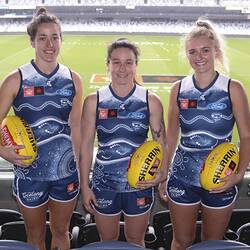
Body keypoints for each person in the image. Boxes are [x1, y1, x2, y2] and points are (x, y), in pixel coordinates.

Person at [158, 18, 250, 250]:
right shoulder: (178, 89)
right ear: (187, 55)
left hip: (221, 178)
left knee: (212, 244)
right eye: (193, 51)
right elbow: (171, 136)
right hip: (182, 176)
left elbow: (247, 136)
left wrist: (238, 175)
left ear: (216, 52)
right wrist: (163, 174)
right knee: (181, 242)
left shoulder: (233, 88)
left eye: (205, 50)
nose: (199, 57)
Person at [0, 8, 83, 250]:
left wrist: (78, 166)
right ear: (32, 41)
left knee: (61, 233)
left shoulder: (73, 79)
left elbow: (76, 126)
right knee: (35, 238)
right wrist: (3, 152)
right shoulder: (16, 79)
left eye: (55, 37)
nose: (49, 44)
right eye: (42, 38)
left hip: (65, 174)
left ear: (61, 39)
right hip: (29, 175)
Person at [79, 38, 168, 246]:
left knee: (136, 240)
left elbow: (160, 142)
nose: (122, 68)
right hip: (104, 183)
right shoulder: (94, 101)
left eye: (129, 62)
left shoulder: (150, 101)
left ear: (136, 65)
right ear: (107, 64)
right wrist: (85, 186)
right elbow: (85, 146)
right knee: (107, 241)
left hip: (140, 184)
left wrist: (162, 175)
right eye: (116, 62)